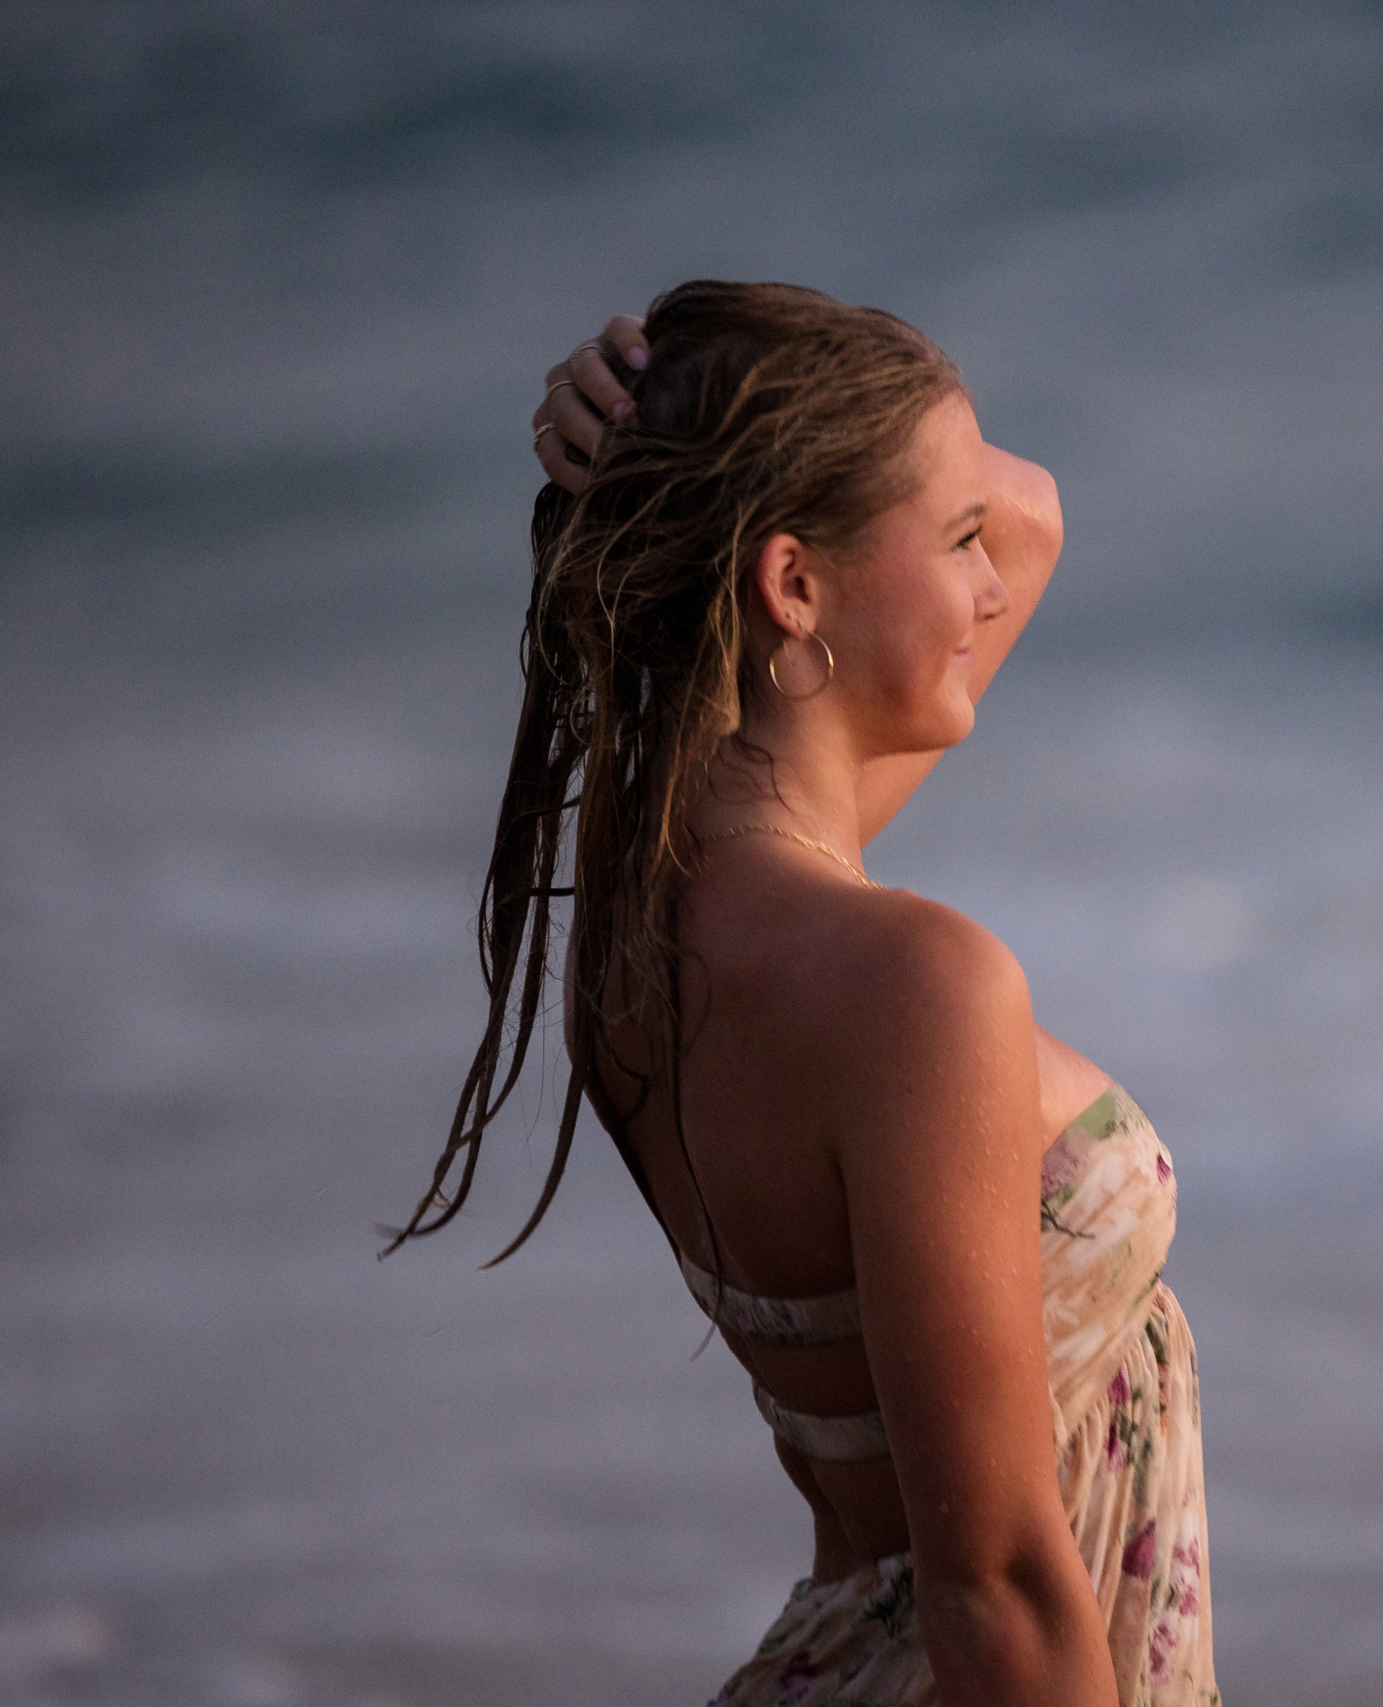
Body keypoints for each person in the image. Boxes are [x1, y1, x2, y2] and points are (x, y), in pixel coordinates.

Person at [391, 283, 1217, 1707]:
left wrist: (642, 415)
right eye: (954, 545)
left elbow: (1029, 512)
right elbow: (1002, 1590)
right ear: (793, 587)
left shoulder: (646, 938)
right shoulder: (911, 989)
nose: (993, 583)